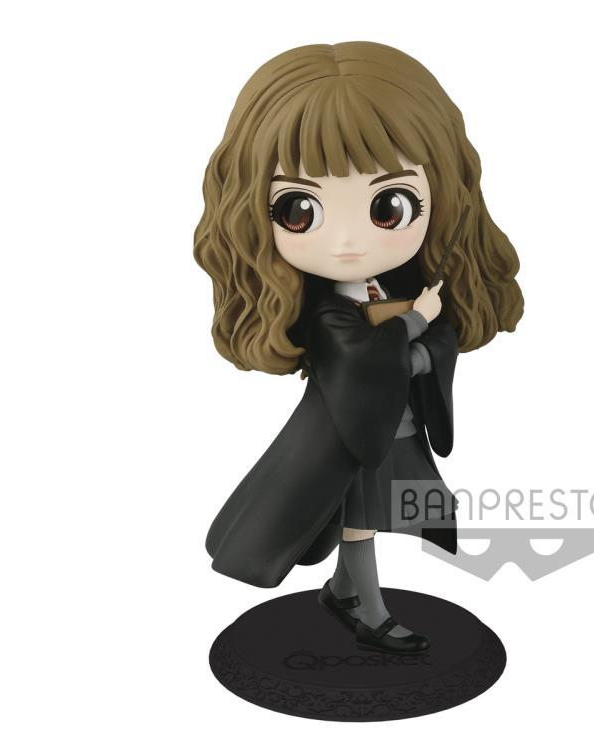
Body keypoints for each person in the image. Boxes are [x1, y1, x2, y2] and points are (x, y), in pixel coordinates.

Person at [194, 41, 524, 654]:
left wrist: (425, 335)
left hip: (391, 431)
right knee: (361, 523)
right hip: (345, 439)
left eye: (387, 206)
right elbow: (362, 360)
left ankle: (346, 593)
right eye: (300, 209)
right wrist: (414, 330)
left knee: (370, 518)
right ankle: (370, 612)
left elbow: (435, 337)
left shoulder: (398, 288)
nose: (347, 243)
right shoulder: (326, 311)